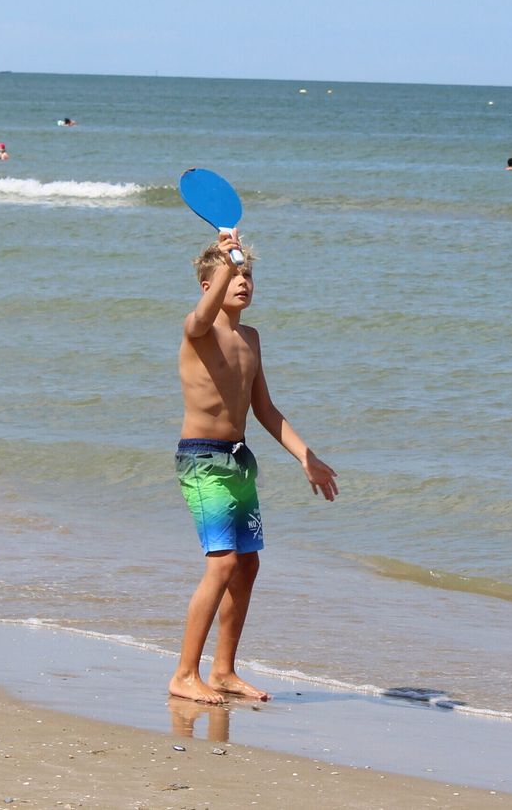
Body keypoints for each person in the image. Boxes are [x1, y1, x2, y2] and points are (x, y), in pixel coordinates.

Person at [169, 231, 339, 705]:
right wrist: (226, 255)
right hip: (203, 458)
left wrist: (307, 456)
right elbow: (202, 315)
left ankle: (222, 671)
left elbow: (265, 409)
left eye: (248, 276)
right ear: (208, 285)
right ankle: (184, 674)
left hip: (239, 459)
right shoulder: (198, 329)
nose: (243, 282)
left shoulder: (251, 339)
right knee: (221, 563)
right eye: (233, 275)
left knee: (247, 565)